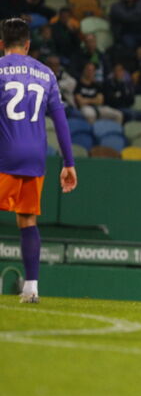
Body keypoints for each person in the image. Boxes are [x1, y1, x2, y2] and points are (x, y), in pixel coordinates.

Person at [0, 18, 78, 303]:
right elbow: (60, 122)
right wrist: (68, 163)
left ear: (1, 44)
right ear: (28, 45)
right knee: (27, 219)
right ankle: (31, 287)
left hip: (5, 153)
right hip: (35, 156)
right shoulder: (46, 74)